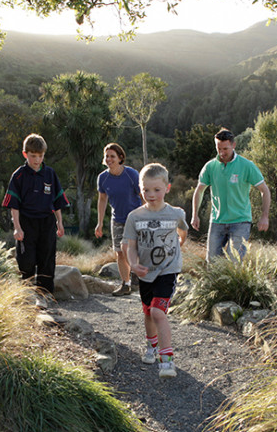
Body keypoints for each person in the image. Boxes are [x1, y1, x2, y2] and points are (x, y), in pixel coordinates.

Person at [125, 163, 188, 379]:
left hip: (168, 269)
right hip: (145, 272)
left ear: (167, 188)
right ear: (140, 189)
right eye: (146, 190)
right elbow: (130, 246)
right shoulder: (134, 217)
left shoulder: (176, 213)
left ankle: (167, 361)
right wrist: (133, 264)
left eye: (157, 190)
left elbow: (183, 230)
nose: (151, 195)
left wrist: (180, 242)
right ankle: (151, 346)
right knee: (147, 312)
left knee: (158, 312)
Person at [2, 133, 69, 302]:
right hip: (26, 222)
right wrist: (17, 227)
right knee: (27, 259)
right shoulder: (18, 176)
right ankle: (27, 293)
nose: (37, 160)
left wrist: (59, 223)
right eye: (33, 156)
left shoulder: (50, 174)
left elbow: (57, 201)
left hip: (47, 222)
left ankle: (44, 294)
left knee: (47, 258)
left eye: (40, 156)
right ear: (25, 154)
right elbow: (14, 205)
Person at [191, 128, 271, 261]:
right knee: (212, 262)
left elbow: (265, 190)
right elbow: (199, 190)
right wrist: (195, 215)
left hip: (240, 221)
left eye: (225, 149)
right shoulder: (210, 167)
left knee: (233, 262)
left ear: (233, 145)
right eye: (219, 149)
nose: (222, 152)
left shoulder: (247, 166)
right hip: (217, 221)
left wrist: (264, 216)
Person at [95, 143, 143, 296]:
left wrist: (146, 216)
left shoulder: (131, 174)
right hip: (117, 219)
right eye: (107, 156)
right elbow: (102, 200)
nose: (109, 159)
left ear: (120, 158)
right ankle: (126, 284)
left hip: (135, 218)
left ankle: (139, 277)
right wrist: (100, 223)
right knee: (119, 253)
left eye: (112, 156)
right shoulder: (103, 178)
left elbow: (142, 196)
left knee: (132, 249)